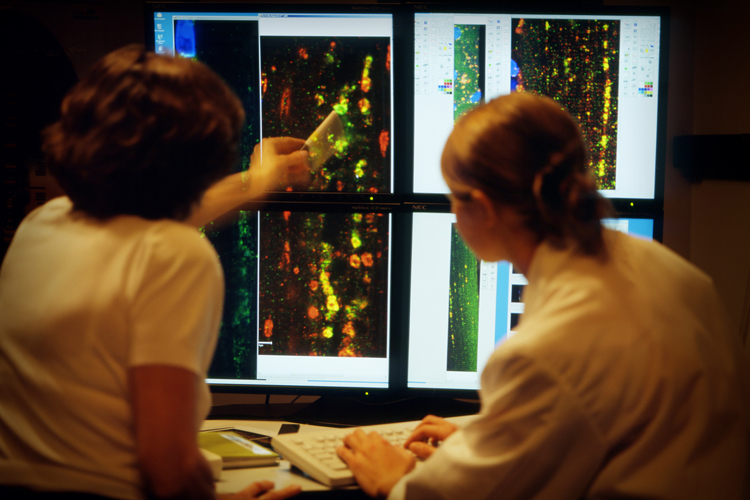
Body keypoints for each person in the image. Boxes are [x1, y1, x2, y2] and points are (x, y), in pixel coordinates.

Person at [336, 92, 750, 499]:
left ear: (482, 206)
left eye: (453, 198)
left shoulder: (542, 353)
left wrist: (400, 481)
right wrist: (496, 436)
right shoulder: (666, 267)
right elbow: (599, 421)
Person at [0, 45, 308, 500]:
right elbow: (169, 469)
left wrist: (261, 179)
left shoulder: (43, 223)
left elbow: (145, 222)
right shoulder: (175, 254)